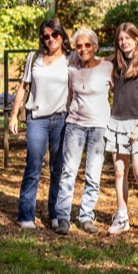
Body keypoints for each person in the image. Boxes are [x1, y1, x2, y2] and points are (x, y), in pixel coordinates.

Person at [7, 19, 70, 230]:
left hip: (61, 119)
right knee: (33, 166)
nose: (50, 39)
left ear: (62, 36)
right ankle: (26, 215)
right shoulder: (34, 58)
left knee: (57, 168)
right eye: (46, 36)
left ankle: (55, 214)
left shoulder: (70, 59)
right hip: (37, 119)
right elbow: (23, 87)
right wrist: (14, 115)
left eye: (55, 35)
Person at [54, 27, 113, 235]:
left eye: (88, 45)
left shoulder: (107, 67)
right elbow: (67, 94)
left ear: (95, 47)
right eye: (79, 46)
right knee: (68, 171)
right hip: (75, 125)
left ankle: (86, 216)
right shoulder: (71, 68)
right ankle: (63, 217)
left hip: (99, 126)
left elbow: (121, 89)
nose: (83, 49)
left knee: (93, 174)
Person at [106, 22, 138, 234]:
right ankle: (122, 216)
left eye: (127, 38)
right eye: (120, 39)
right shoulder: (115, 64)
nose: (123, 42)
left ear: (136, 39)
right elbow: (94, 64)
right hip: (117, 121)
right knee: (119, 171)